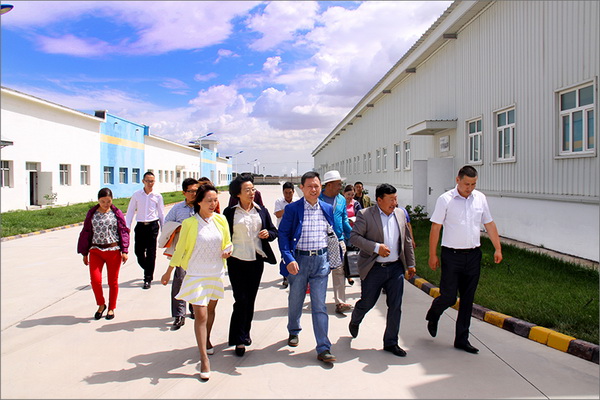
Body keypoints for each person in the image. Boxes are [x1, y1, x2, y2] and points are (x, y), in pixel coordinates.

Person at [425, 166, 502, 354]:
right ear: (457, 180)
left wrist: (498, 248)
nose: (470, 188)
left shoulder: (480, 198)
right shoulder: (445, 199)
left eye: (473, 184)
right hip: (452, 256)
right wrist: (433, 254)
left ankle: (462, 339)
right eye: (467, 184)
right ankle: (434, 313)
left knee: (467, 300)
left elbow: (489, 223)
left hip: (473, 255)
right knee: (449, 296)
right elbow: (436, 228)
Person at [160, 184, 232, 381]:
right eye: (209, 200)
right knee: (200, 314)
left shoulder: (221, 220)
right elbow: (181, 249)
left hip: (215, 272)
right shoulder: (190, 223)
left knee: (211, 311)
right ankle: (203, 359)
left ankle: (206, 339)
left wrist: (228, 249)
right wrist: (168, 272)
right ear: (199, 202)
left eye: (215, 200)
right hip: (196, 274)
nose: (213, 204)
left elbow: (228, 242)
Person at [348, 183, 416, 357]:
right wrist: (376, 247)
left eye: (396, 199)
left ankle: (391, 342)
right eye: (391, 199)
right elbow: (354, 237)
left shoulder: (400, 214)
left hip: (395, 268)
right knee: (368, 302)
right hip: (374, 268)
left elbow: (406, 240)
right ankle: (356, 318)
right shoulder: (365, 215)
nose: (395, 203)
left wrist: (411, 264)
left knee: (395, 306)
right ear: (379, 200)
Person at [278, 171, 337, 363]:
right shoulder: (293, 209)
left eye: (316, 186)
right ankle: (293, 330)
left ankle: (323, 347)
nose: (313, 189)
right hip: (299, 261)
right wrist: (288, 258)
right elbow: (283, 235)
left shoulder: (327, 208)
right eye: (309, 186)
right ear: (301, 188)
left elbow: (331, 233)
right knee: (296, 299)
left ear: (321, 187)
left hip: (321, 262)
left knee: (319, 305)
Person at [223, 174, 278, 357]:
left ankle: (243, 333)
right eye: (247, 190)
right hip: (236, 261)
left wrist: (267, 233)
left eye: (253, 189)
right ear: (237, 193)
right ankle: (239, 339)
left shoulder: (261, 211)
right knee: (241, 300)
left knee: (250, 300)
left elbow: (273, 231)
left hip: (256, 261)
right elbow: (223, 236)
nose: (251, 192)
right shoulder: (230, 213)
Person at [77, 188, 129, 320]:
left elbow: (123, 231)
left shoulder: (116, 213)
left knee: (113, 281)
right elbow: (86, 232)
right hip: (96, 251)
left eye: (108, 201)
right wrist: (84, 252)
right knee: (95, 281)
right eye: (103, 201)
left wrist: (124, 250)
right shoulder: (92, 213)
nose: (106, 204)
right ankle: (101, 304)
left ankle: (111, 308)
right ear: (98, 200)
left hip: (113, 251)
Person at [161, 178, 199, 331]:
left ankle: (194, 308)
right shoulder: (177, 209)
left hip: (199, 250)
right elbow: (166, 224)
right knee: (180, 280)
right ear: (184, 193)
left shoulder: (202, 206)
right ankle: (179, 315)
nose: (194, 194)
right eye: (191, 191)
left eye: (196, 191)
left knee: (196, 280)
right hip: (182, 251)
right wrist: (179, 228)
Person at [319, 170, 353, 315]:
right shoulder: (317, 198)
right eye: (338, 184)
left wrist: (353, 234)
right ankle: (318, 302)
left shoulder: (341, 200)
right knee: (320, 272)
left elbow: (344, 219)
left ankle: (340, 302)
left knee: (339, 271)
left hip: (338, 240)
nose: (341, 187)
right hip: (320, 241)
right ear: (329, 185)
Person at [126, 171, 165, 289]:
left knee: (151, 253)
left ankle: (147, 278)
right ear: (143, 181)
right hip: (140, 226)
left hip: (153, 226)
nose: (150, 183)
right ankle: (148, 268)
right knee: (138, 252)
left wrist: (164, 230)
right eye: (147, 181)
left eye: (152, 181)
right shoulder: (137, 195)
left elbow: (161, 213)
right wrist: (127, 226)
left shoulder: (157, 196)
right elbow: (130, 211)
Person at [274, 181, 299, 288]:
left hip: (295, 232)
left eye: (290, 193)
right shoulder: (279, 202)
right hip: (283, 232)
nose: (288, 195)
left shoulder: (297, 201)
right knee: (284, 254)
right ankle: (285, 276)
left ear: (293, 192)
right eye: (286, 193)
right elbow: (277, 214)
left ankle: (295, 273)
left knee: (295, 253)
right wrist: (289, 209)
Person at [343, 184, 362, 286]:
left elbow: (361, 216)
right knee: (343, 255)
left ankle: (350, 274)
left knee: (350, 254)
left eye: (352, 195)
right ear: (344, 193)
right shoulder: (340, 203)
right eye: (348, 194)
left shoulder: (356, 204)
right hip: (342, 233)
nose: (350, 197)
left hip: (352, 232)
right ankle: (346, 275)